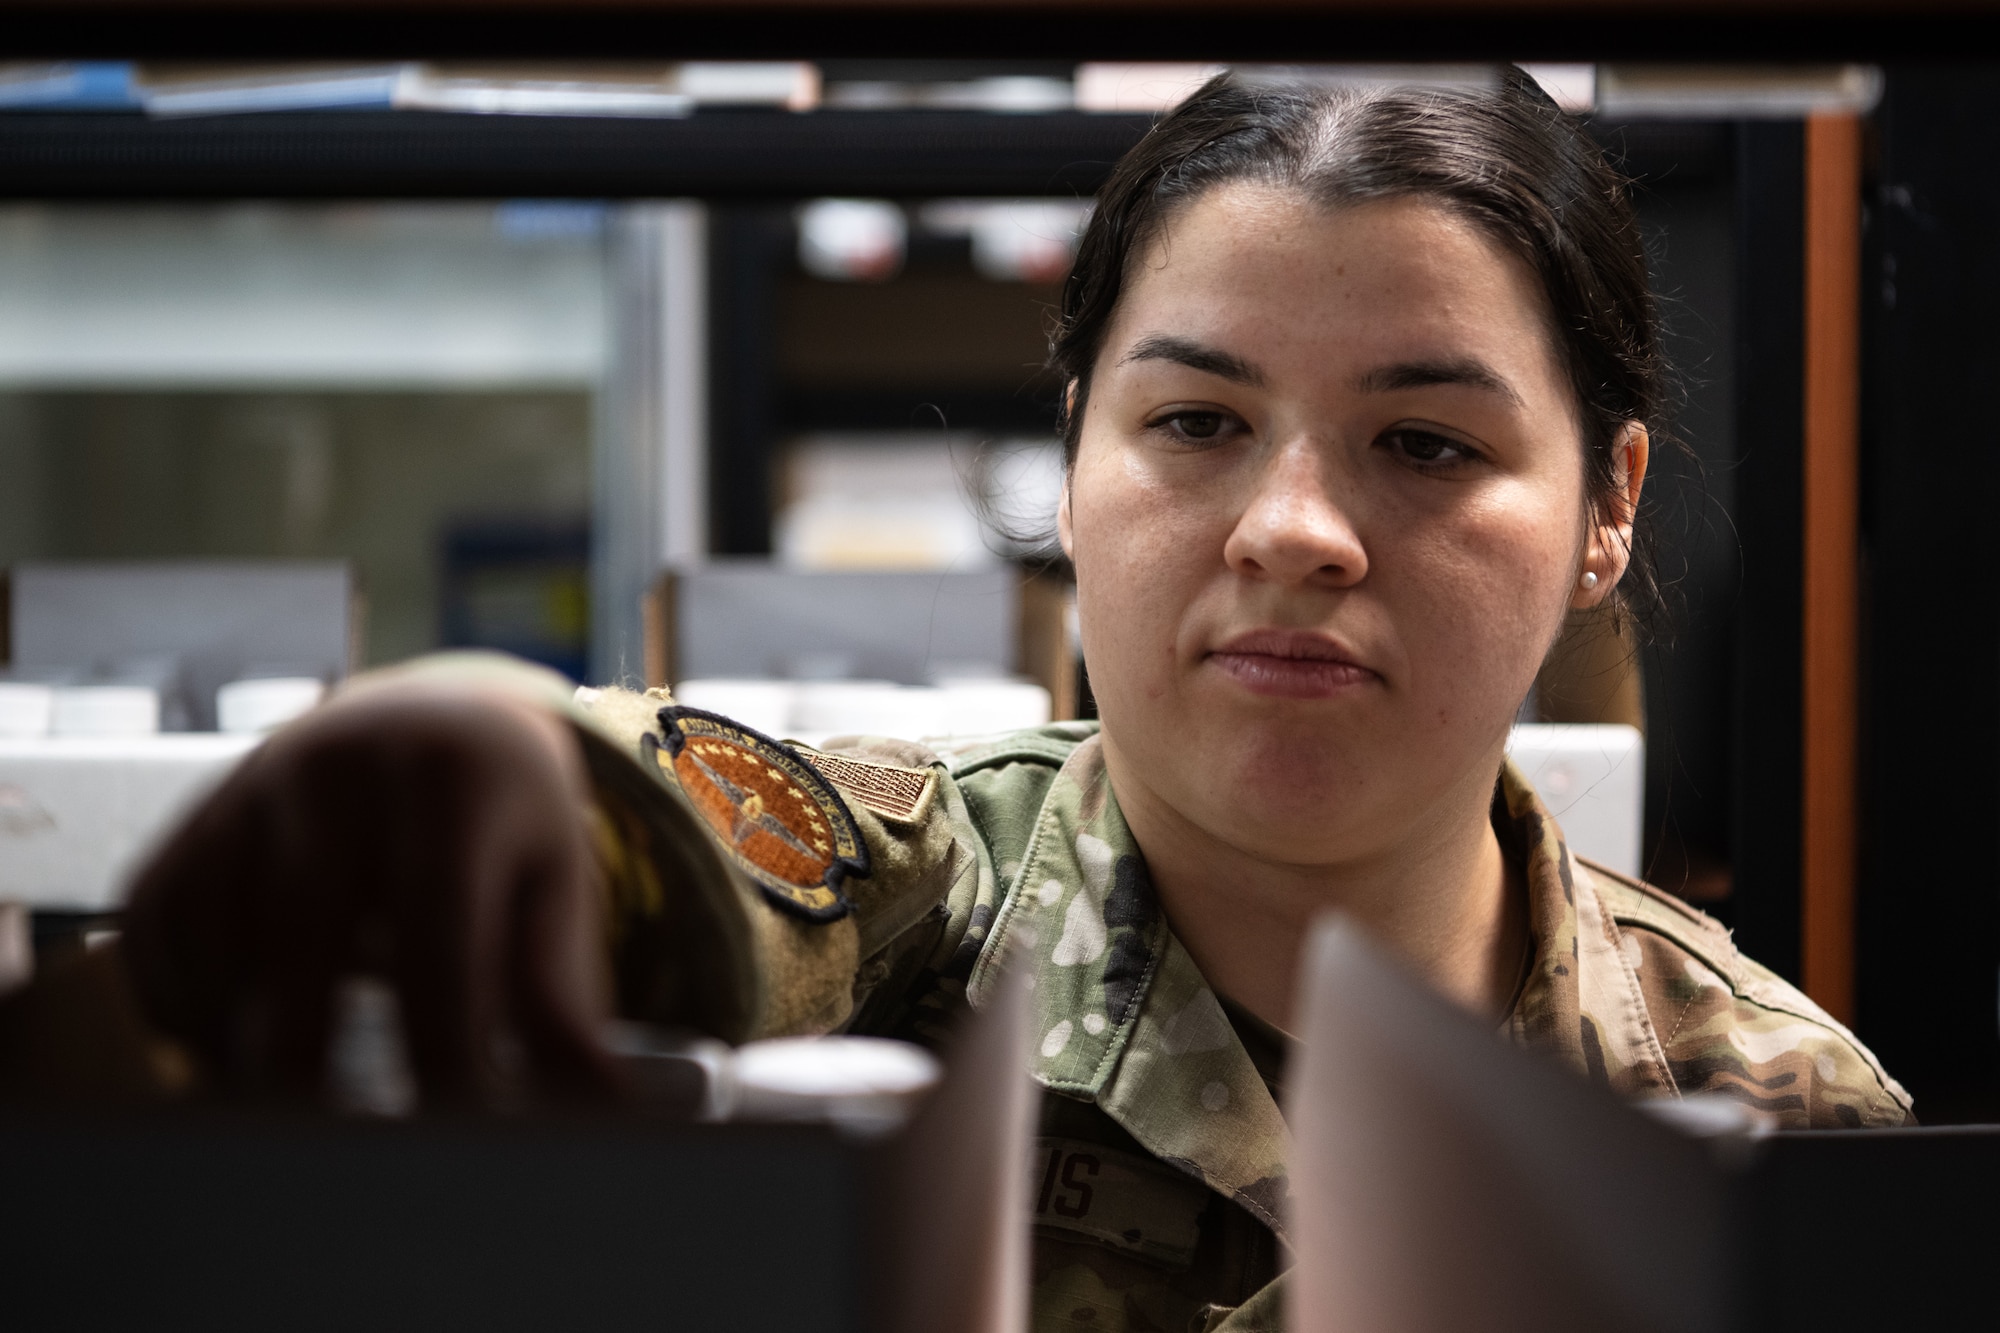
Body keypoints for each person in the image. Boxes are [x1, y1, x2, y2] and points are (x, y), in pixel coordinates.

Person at [0, 70, 1910, 1333]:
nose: (1298, 528)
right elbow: (701, 837)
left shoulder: (1782, 1124)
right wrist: (489, 750)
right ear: (1071, 463)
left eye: (1423, 439)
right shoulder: (925, 902)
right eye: (1195, 423)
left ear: (1608, 510)